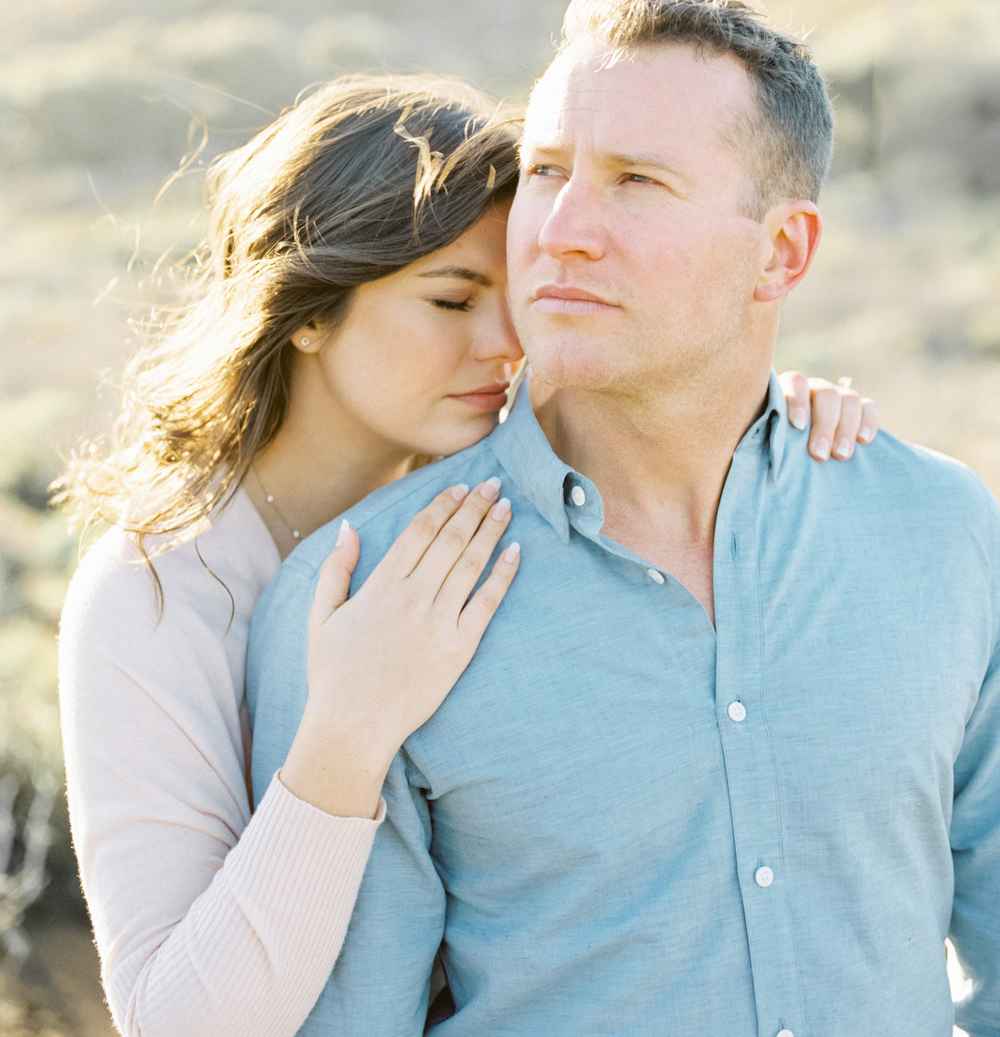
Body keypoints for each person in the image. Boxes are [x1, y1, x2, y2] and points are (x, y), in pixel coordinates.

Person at [249, 0, 1000, 1037]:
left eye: (636, 181)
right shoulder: (359, 596)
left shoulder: (943, 531)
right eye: (546, 173)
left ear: (780, 252)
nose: (560, 231)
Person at [56, 71, 870, 1037]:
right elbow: (179, 1021)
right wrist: (349, 732)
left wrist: (775, 417)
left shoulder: (509, 497)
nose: (506, 346)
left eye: (516, 296)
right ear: (307, 309)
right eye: (450, 301)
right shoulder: (157, 594)